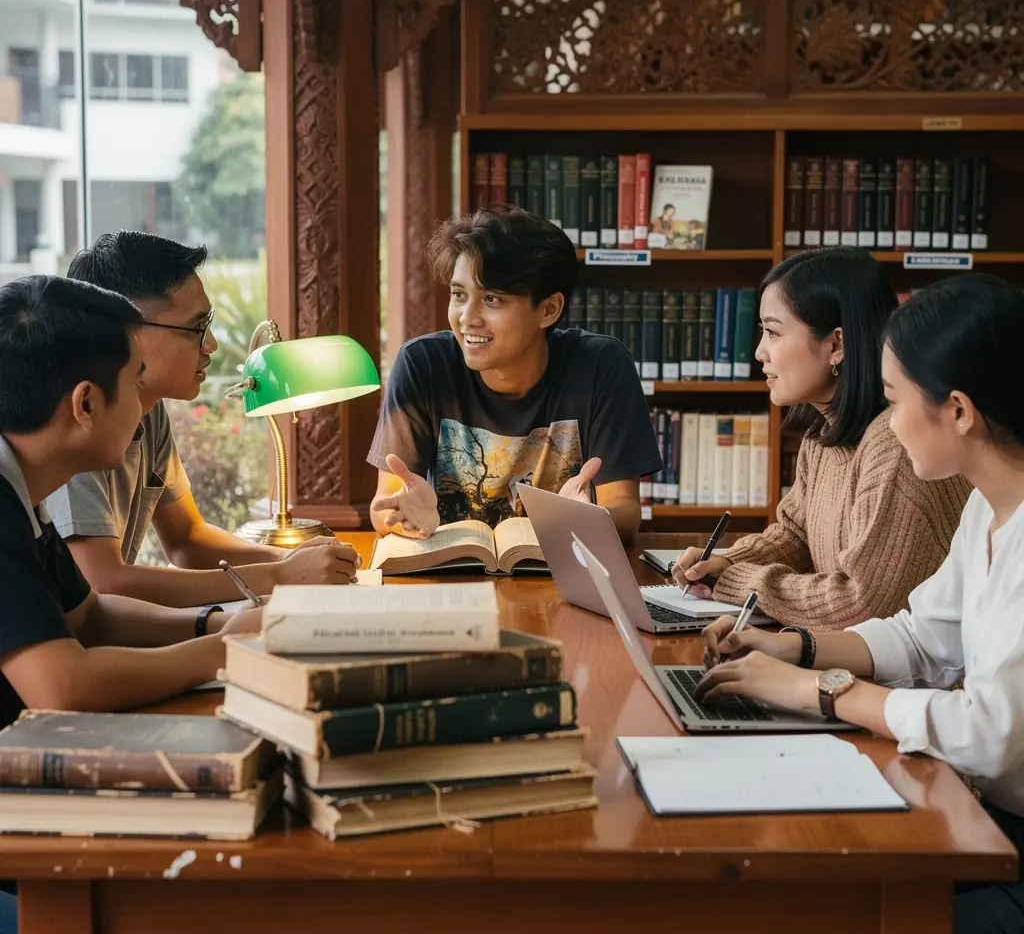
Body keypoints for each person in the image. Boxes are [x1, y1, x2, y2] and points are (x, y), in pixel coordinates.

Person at [695, 273, 1024, 934]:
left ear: (958, 411)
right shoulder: (986, 508)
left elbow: (992, 734)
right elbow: (926, 637)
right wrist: (797, 646)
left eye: (896, 398)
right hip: (985, 816)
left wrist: (819, 691)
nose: (889, 420)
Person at [0, 274, 263, 725]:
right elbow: (64, 687)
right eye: (137, 386)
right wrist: (226, 649)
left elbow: (91, 615)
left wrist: (218, 625)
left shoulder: (23, 492)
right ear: (85, 405)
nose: (145, 406)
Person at [45, 232, 359, 609]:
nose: (210, 344)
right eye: (196, 328)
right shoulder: (74, 422)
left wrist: (290, 562)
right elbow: (103, 583)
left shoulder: (148, 409)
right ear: (127, 332)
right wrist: (280, 575)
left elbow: (187, 539)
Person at [671, 248, 971, 629]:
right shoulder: (823, 434)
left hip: (917, 683)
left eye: (773, 332)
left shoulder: (895, 448)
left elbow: (861, 602)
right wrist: (728, 560)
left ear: (836, 344)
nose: (759, 352)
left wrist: (737, 580)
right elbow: (797, 534)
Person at [368, 207, 663, 543]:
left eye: (492, 299)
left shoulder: (601, 365)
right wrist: (402, 516)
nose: (467, 318)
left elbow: (624, 508)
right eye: (459, 295)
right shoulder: (422, 365)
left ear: (548, 309)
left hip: (559, 577)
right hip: (454, 576)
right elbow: (385, 506)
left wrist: (590, 519)